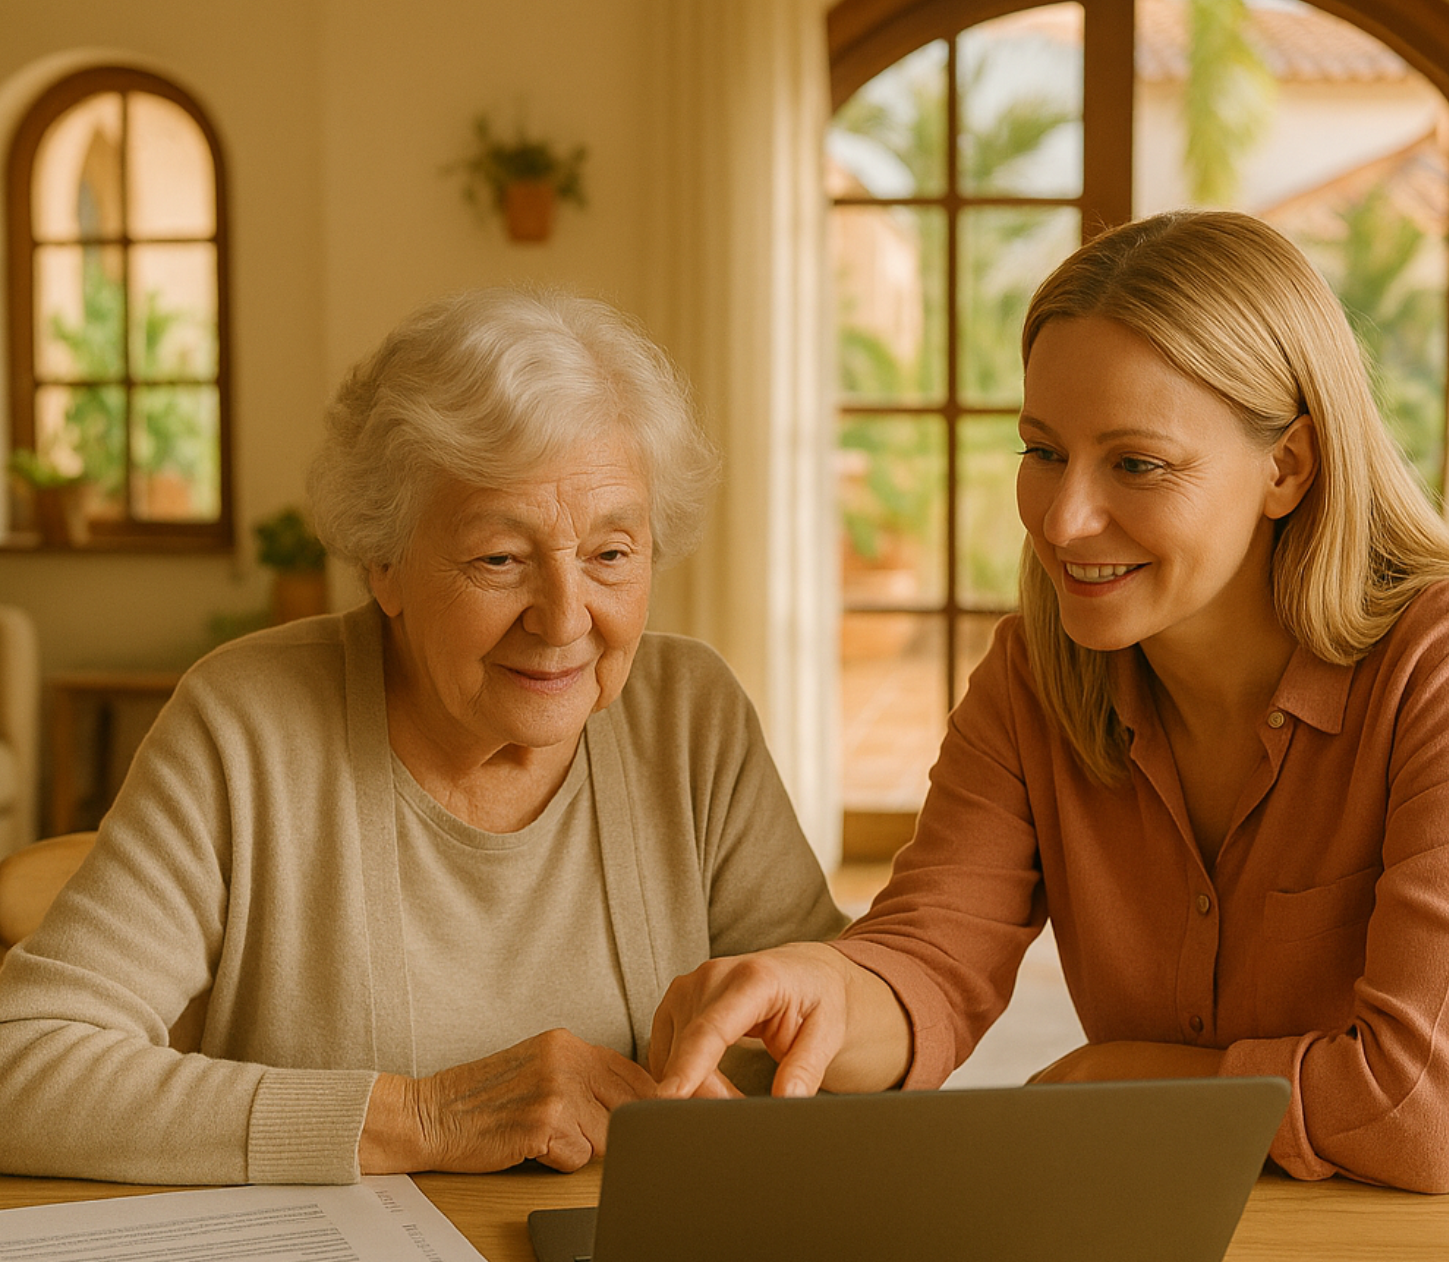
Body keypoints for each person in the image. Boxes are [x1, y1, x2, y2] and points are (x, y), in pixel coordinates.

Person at [651, 210, 1449, 1196]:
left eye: (1135, 464)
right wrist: (819, 989)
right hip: (1157, 1231)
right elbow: (931, 960)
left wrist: (1121, 1076)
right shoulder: (1035, 673)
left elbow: (1427, 1109)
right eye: (1042, 451)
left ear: (1288, 467)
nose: (1062, 519)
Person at [0, 286, 844, 1185]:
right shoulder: (245, 723)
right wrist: (428, 1117)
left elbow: (830, 1032)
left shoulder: (691, 713)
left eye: (609, 554)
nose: (564, 620)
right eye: (499, 559)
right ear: (384, 564)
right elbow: (24, 1065)